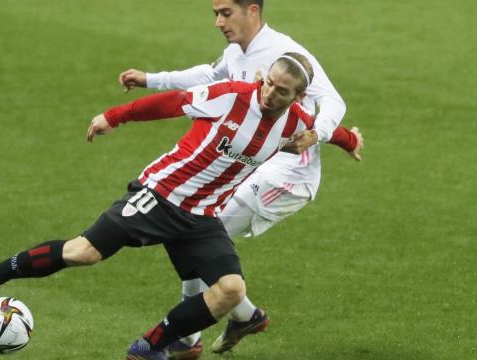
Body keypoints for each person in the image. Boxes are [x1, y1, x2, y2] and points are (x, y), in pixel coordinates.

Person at [0, 53, 355, 360]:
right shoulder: (231, 96)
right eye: (268, 84)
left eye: (282, 92)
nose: (269, 95)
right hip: (160, 195)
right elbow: (170, 104)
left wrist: (345, 140)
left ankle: (149, 347)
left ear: (298, 96)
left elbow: (325, 129)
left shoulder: (298, 122)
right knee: (83, 253)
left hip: (202, 217)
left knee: (231, 291)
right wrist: (113, 117)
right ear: (263, 77)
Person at [119, 1, 361, 357]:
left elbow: (332, 102)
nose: (218, 21)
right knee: (195, 226)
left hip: (287, 176)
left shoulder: (285, 53)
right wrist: (152, 79)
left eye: (225, 12)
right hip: (254, 166)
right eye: (215, 12)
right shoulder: (237, 51)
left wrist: (321, 134)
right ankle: (237, 318)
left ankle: (191, 338)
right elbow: (209, 76)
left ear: (251, 10)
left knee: (197, 230)